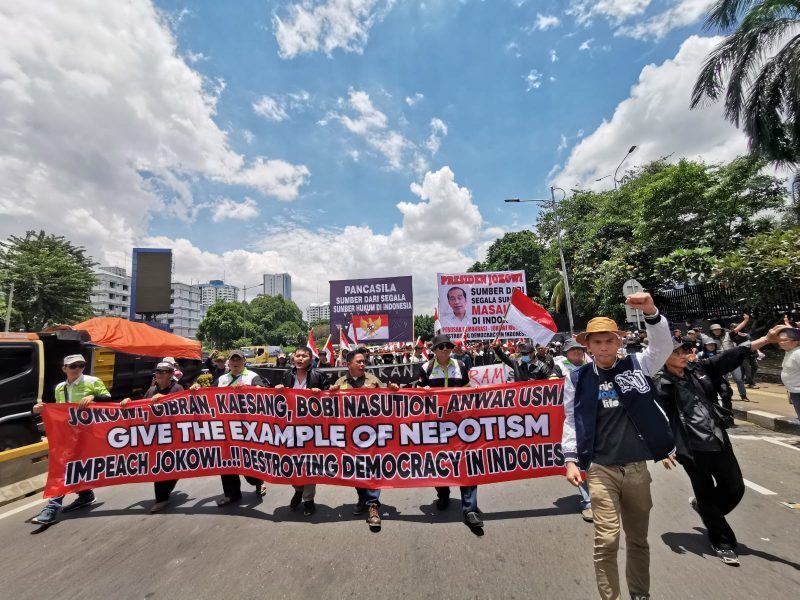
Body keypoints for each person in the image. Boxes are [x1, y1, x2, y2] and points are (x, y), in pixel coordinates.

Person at [562, 293, 674, 600]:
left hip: (637, 469)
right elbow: (571, 420)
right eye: (596, 342)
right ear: (587, 346)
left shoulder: (639, 365)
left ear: (618, 342)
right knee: (607, 540)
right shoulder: (577, 379)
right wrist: (571, 459)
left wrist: (651, 311)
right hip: (600, 469)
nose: (603, 347)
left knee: (638, 539)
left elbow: (663, 346)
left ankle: (640, 594)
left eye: (608, 341)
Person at [656, 326, 785, 566]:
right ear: (663, 356)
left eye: (686, 350)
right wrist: (663, 448)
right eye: (677, 352)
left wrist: (766, 340)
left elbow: (729, 356)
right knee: (704, 492)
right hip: (691, 449)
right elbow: (655, 418)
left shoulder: (700, 370)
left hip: (717, 439)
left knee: (735, 487)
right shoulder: (660, 384)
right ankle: (722, 541)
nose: (685, 355)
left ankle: (706, 511)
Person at [31, 354, 112, 525]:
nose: (77, 369)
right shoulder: (60, 387)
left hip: (87, 434)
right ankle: (86, 494)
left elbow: (108, 400)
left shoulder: (92, 381)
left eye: (80, 365)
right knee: (72, 466)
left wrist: (93, 398)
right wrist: (41, 409)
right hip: (67, 434)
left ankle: (52, 508)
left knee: (63, 468)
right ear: (64, 369)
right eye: (73, 366)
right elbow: (60, 410)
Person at [330, 349, 399, 530]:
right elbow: (329, 407)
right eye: (359, 361)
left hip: (373, 435)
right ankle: (362, 498)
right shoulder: (340, 383)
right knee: (356, 470)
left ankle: (373, 506)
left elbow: (388, 399)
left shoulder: (373, 381)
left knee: (372, 469)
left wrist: (392, 390)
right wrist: (330, 394)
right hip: (349, 438)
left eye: (364, 361)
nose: (363, 364)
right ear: (348, 364)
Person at [418, 334, 481, 529]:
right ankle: (443, 494)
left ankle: (470, 508)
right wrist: (423, 391)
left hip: (460, 424)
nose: (446, 349)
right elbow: (416, 396)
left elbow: (469, 390)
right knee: (439, 462)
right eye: (442, 346)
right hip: (435, 424)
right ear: (434, 350)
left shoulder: (461, 366)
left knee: (466, 462)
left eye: (449, 346)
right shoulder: (425, 369)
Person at [120, 361, 184, 513]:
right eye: (158, 372)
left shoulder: (177, 388)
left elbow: (183, 407)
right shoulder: (151, 389)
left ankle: (162, 497)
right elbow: (142, 406)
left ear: (170, 374)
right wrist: (129, 402)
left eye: (164, 372)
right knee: (160, 466)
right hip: (154, 435)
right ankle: (162, 497)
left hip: (172, 434)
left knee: (167, 465)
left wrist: (166, 399)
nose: (160, 375)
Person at [275, 346, 329, 516]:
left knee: (309, 463)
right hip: (290, 427)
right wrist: (278, 390)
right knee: (291, 462)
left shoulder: (318, 375)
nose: (299, 359)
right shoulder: (286, 375)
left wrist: (321, 393)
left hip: (311, 427)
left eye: (303, 356)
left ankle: (308, 499)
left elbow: (331, 399)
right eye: (297, 356)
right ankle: (298, 489)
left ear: (310, 358)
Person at [214, 350, 266, 507]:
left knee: (248, 460)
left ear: (244, 361)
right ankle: (231, 494)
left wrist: (249, 389)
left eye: (239, 359)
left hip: (247, 427)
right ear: (228, 363)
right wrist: (196, 388)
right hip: (225, 427)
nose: (235, 362)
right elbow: (208, 396)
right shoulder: (222, 379)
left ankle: (257, 481)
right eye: (233, 360)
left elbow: (265, 394)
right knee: (226, 461)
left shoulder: (252, 376)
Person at [553, 339, 594, 523]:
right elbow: (551, 384)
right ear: (566, 352)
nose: (577, 353)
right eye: (573, 350)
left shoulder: (593, 363)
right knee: (580, 460)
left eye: (579, 349)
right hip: (573, 419)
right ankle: (588, 502)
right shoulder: (559, 365)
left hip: (596, 418)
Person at [709, 318, 750, 401]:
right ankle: (726, 395)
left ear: (721, 330)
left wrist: (745, 320)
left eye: (718, 330)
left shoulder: (728, 335)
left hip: (733, 361)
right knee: (724, 381)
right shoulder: (710, 340)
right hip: (721, 363)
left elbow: (737, 328)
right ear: (712, 331)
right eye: (714, 330)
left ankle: (743, 395)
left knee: (739, 379)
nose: (716, 331)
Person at [493, 341, 557, 382]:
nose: (524, 356)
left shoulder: (543, 366)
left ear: (533, 353)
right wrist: (497, 349)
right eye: (523, 354)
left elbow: (550, 381)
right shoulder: (517, 363)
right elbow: (504, 358)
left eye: (526, 354)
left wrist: (535, 383)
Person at [777, 327, 800, 419]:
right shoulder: (789, 351)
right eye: (779, 340)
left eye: (785, 340)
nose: (781, 342)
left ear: (795, 341)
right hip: (794, 391)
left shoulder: (798, 353)